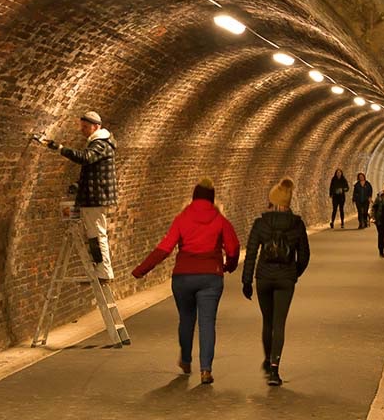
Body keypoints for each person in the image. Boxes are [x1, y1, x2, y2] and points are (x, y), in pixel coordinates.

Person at [132, 178, 240, 385]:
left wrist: (141, 270)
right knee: (207, 323)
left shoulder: (181, 219)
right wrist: (228, 266)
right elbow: (233, 249)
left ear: (193, 198)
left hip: (183, 277)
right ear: (212, 199)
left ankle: (186, 359)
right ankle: (206, 370)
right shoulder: (221, 221)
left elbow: (164, 248)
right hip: (211, 276)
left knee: (186, 319)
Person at [241, 178, 310, 386]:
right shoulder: (297, 224)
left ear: (272, 201)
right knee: (279, 323)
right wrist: (293, 273)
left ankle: (267, 357)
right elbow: (304, 255)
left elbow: (252, 252)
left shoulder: (261, 223)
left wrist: (246, 280)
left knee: (267, 321)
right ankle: (274, 370)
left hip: (263, 277)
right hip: (285, 278)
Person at [45, 111, 118, 281]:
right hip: (94, 195)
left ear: (96, 126)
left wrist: (61, 148)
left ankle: (104, 270)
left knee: (97, 233)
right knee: (94, 233)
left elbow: (86, 158)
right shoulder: (99, 143)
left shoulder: (100, 143)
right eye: (82, 127)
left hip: (96, 197)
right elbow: (94, 171)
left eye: (85, 127)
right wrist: (79, 185)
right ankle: (102, 268)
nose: (82, 130)